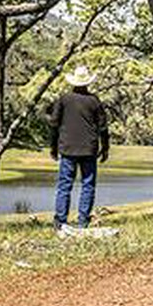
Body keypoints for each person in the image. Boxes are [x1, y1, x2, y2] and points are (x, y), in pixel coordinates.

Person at [49, 65, 109, 230]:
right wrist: (106, 148)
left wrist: (53, 147)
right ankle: (83, 221)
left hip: (67, 148)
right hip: (89, 148)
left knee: (64, 185)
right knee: (88, 185)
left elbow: (54, 124)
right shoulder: (94, 101)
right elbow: (103, 127)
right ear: (87, 82)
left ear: (73, 82)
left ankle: (60, 221)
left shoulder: (64, 99)